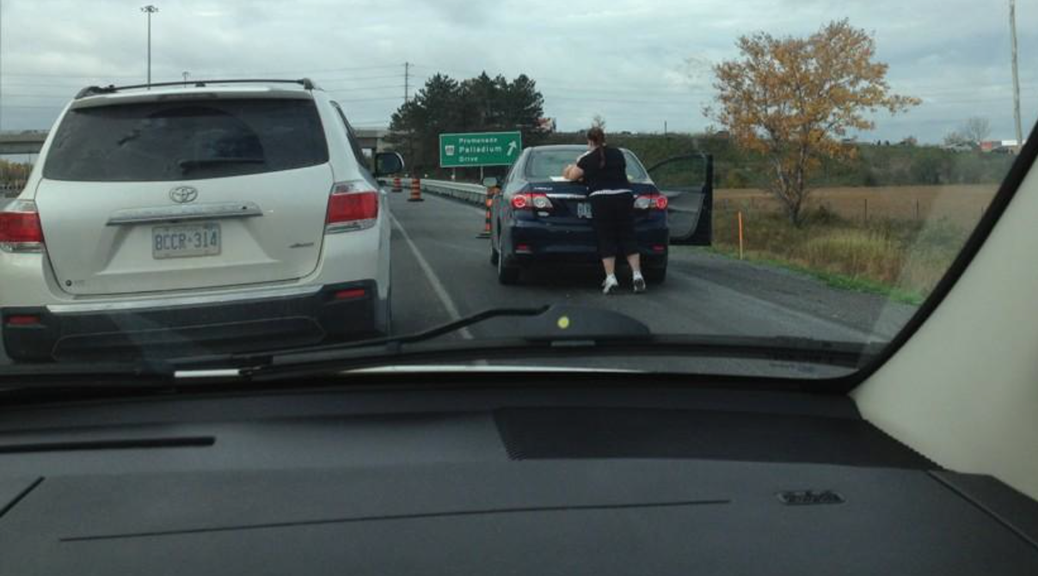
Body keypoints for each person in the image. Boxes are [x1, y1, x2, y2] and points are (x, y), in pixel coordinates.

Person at [563, 127, 645, 294]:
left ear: (590, 141)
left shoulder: (587, 158)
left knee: (606, 237)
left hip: (602, 199)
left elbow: (572, 176)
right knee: (628, 235)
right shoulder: (618, 154)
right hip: (624, 196)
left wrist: (574, 164)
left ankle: (611, 278)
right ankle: (637, 275)